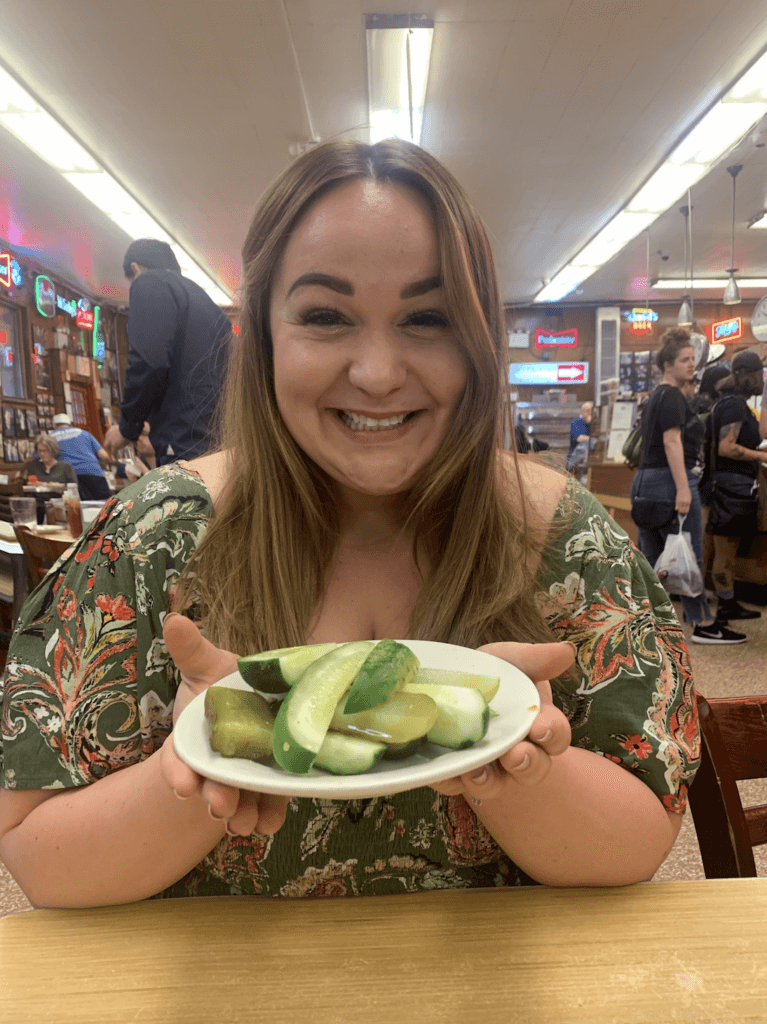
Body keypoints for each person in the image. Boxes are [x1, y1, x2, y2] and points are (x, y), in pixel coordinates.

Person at [0, 139, 698, 908]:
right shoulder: (151, 538)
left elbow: (644, 836)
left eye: (426, 318)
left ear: (477, 345)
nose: (376, 373)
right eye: (326, 316)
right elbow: (38, 855)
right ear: (264, 340)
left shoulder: (566, 539)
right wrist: (203, 768)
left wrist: (516, 765)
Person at [629, 328, 744, 645]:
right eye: (684, 360)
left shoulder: (656, 396)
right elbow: (672, 442)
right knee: (688, 554)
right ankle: (702, 623)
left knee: (653, 558)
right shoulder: (674, 397)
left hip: (646, 482)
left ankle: (642, 620)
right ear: (668, 364)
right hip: (670, 480)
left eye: (693, 359)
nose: (691, 365)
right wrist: (682, 488)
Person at [103, 239, 232, 466]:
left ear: (135, 268)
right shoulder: (203, 300)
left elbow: (149, 360)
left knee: (183, 498)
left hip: (183, 432)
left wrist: (127, 427)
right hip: (217, 431)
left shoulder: (148, 282)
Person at [704, 349, 766, 623]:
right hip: (730, 490)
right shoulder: (734, 405)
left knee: (724, 552)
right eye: (757, 375)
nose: (761, 382)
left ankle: (728, 602)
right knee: (725, 552)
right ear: (741, 374)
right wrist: (762, 455)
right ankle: (726, 606)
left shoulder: (731, 403)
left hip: (730, 488)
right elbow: (727, 447)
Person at [49, 413, 112, 502]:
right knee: (105, 508)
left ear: (54, 425)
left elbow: (37, 457)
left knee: (77, 510)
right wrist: (103, 467)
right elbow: (104, 456)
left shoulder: (50, 438)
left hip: (70, 478)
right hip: (94, 473)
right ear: (70, 424)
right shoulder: (85, 433)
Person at [23, 434, 78, 524]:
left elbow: (73, 488)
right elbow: (29, 488)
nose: (42, 454)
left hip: (59, 504)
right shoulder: (33, 467)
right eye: (39, 451)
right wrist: (31, 484)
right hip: (38, 506)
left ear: (53, 450)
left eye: (45, 451)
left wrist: (48, 485)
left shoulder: (65, 467)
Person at [566, 401, 593, 471]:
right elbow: (579, 438)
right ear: (582, 412)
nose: (590, 413)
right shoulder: (575, 423)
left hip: (589, 460)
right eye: (587, 411)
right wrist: (592, 439)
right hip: (575, 460)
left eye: (592, 411)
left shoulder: (594, 424)